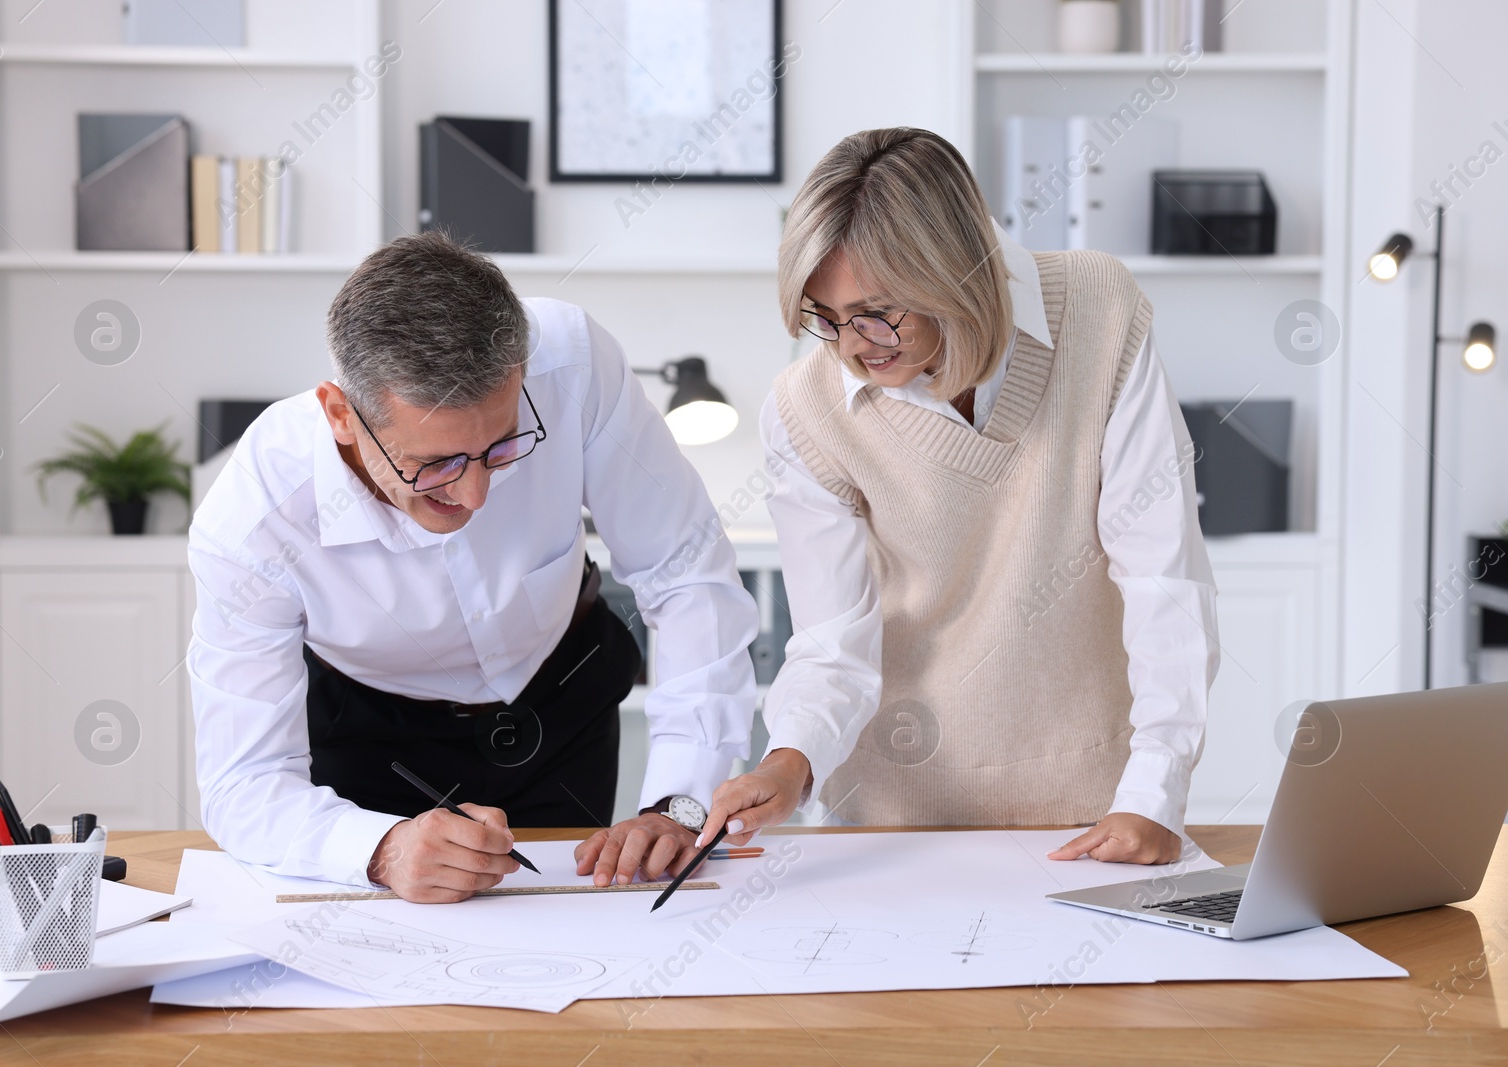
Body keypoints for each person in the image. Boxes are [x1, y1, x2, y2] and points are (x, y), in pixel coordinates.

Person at [698, 127, 1219, 864]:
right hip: (888, 826)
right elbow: (832, 644)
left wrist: (1154, 792)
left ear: (955, 270)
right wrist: (787, 763)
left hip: (1092, 813)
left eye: (878, 311)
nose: (853, 345)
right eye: (826, 317)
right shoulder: (805, 409)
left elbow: (1162, 571)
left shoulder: (1099, 312)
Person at [188, 232, 759, 902]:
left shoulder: (571, 365)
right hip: (371, 739)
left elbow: (686, 572)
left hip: (560, 700)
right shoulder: (254, 518)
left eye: (502, 445)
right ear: (342, 415)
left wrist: (680, 800)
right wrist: (377, 849)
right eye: (435, 465)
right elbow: (243, 781)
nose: (475, 496)